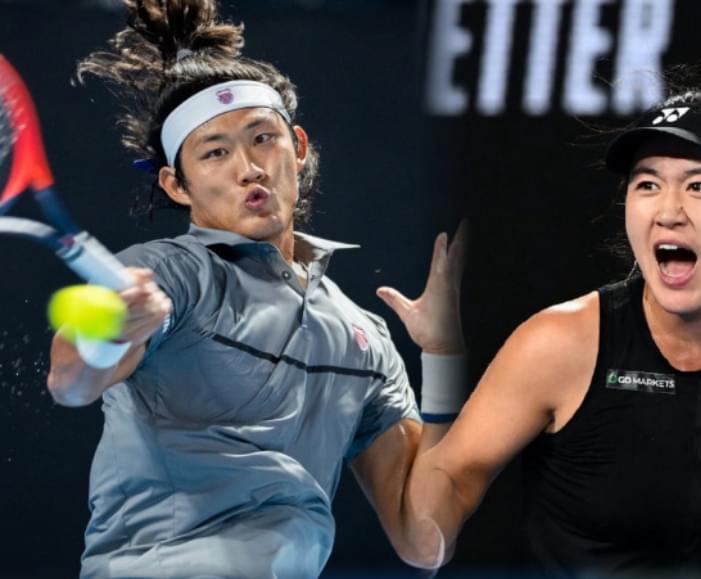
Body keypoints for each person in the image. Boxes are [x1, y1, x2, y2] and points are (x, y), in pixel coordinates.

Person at [46, 0, 464, 577]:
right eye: (215, 152)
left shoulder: (365, 338)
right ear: (176, 185)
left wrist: (442, 356)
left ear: (299, 147)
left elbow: (424, 541)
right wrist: (109, 330)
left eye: (263, 138)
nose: (249, 168)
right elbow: (70, 383)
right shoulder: (170, 273)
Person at [405, 88, 701, 577]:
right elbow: (438, 503)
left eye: (699, 186)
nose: (667, 211)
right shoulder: (560, 342)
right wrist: (438, 360)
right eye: (648, 184)